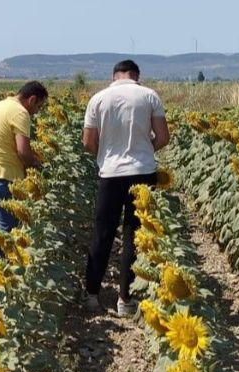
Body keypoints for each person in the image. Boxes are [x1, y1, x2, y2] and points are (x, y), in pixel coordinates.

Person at [82, 60, 169, 315]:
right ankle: (125, 299)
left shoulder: (98, 99)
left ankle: (92, 295)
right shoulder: (149, 96)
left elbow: (88, 142)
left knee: (103, 232)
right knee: (135, 234)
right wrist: (143, 151)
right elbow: (163, 137)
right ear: (136, 76)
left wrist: (107, 155)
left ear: (114, 76)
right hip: (142, 172)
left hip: (110, 173)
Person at [0, 81, 47, 255]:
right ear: (31, 99)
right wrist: (36, 165)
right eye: (38, 106)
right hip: (6, 179)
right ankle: (5, 279)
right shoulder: (20, 112)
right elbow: (23, 152)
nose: (37, 111)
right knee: (7, 235)